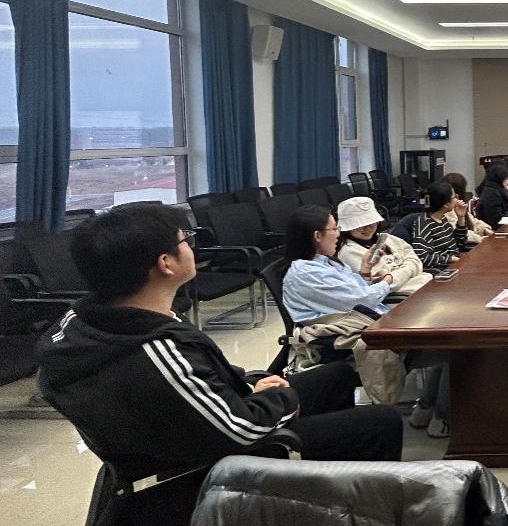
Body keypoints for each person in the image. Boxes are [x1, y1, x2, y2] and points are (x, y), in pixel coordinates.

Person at [36, 204, 402, 479]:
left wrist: (250, 384)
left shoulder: (100, 318)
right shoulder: (152, 350)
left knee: (337, 375)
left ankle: (325, 485)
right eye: (186, 240)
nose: (191, 247)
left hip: (203, 424)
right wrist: (278, 398)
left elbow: (199, 378)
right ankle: (340, 504)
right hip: (211, 468)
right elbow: (239, 430)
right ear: (166, 263)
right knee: (381, 422)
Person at [281, 205, 408, 404]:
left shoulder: (325, 262)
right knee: (441, 345)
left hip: (364, 320)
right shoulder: (305, 273)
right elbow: (362, 300)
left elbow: (349, 294)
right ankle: (429, 406)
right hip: (339, 337)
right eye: (334, 229)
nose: (338, 234)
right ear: (317, 236)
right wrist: (388, 280)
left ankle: (429, 403)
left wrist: (365, 272)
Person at [335, 197, 431, 294]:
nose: (368, 228)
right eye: (361, 226)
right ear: (348, 227)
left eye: (372, 223)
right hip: (402, 296)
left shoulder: (387, 238)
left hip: (423, 285)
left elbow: (416, 262)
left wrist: (394, 274)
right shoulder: (348, 252)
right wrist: (407, 270)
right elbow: (382, 284)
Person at [392, 182, 470, 271]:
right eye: (454, 197)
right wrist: (450, 259)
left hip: (456, 264)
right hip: (444, 269)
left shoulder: (443, 219)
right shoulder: (424, 224)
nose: (457, 199)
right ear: (445, 204)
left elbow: (460, 245)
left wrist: (461, 217)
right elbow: (423, 257)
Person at [475, 161, 508, 230]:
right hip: (493, 229)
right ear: (500, 180)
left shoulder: (498, 190)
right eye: (507, 179)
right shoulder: (492, 194)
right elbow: (496, 220)